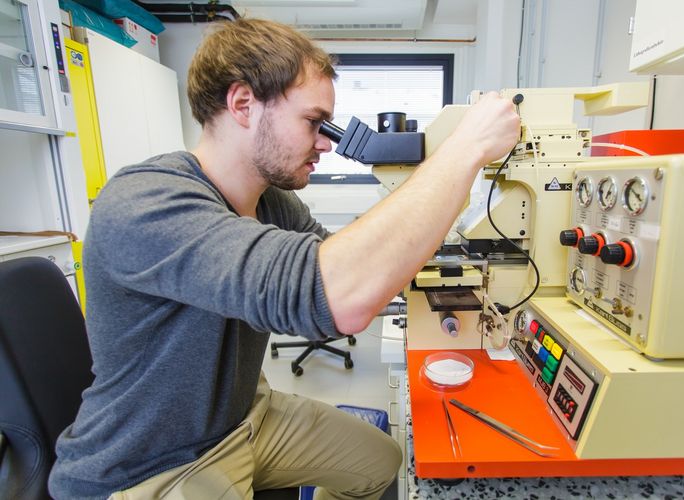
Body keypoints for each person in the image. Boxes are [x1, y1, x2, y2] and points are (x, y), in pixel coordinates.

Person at [48, 17, 520, 500]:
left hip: (246, 418)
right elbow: (340, 299)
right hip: (153, 464)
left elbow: (350, 276)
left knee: (381, 462)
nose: (327, 142)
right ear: (244, 104)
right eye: (314, 122)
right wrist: (467, 149)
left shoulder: (272, 201)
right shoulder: (147, 202)